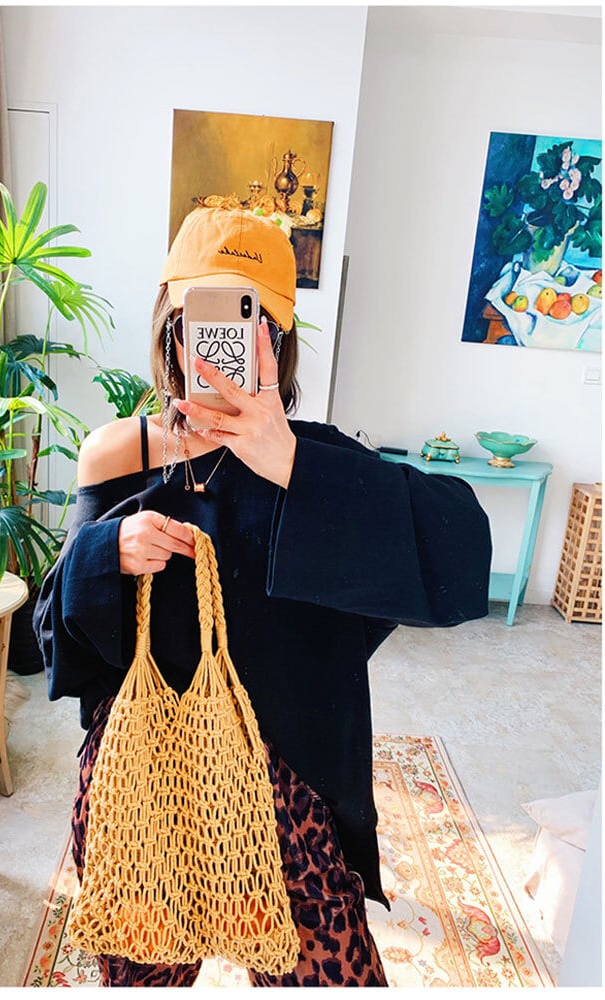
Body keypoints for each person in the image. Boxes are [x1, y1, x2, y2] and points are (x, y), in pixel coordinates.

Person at [34, 206, 492, 988]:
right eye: (199, 321)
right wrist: (106, 554)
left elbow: (462, 558)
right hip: (146, 786)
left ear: (277, 343)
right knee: (142, 978)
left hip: (293, 796)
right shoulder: (118, 455)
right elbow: (54, 639)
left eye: (248, 322)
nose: (219, 345)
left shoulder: (318, 461)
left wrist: (291, 465)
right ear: (171, 332)